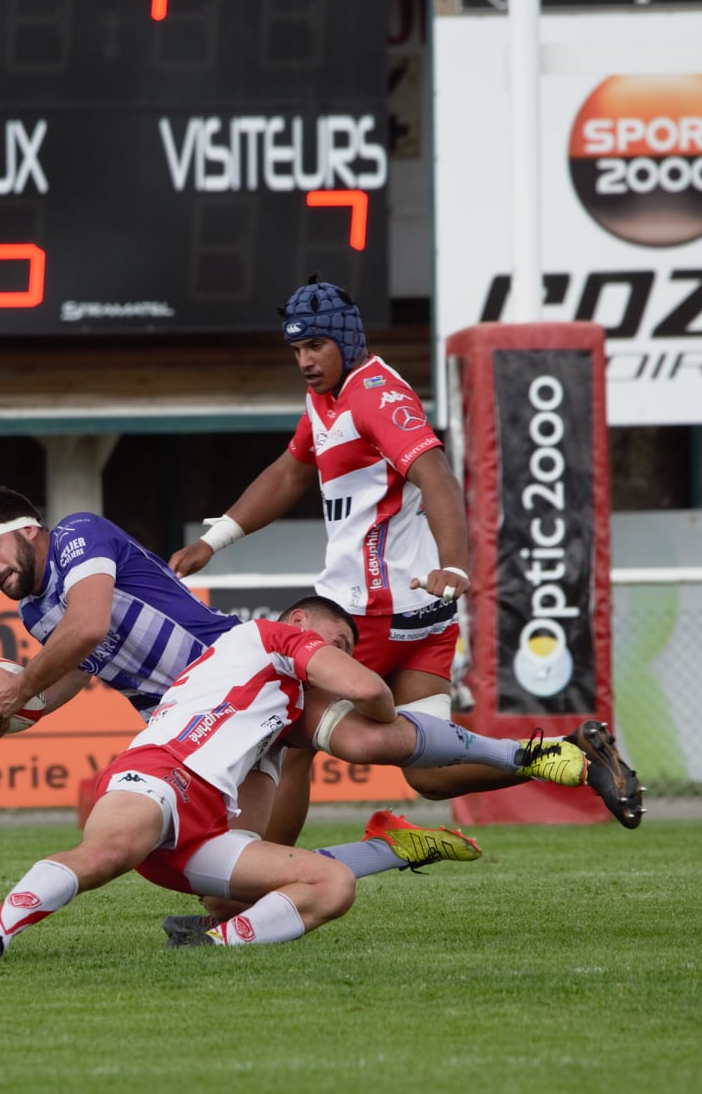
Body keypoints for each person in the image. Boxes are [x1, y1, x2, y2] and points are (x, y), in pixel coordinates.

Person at [168, 275, 642, 839]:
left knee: (289, 741)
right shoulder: (328, 396)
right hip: (421, 618)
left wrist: (456, 564)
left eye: (315, 346)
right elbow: (291, 471)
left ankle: (267, 880)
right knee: (431, 774)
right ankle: (572, 755)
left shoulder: (374, 395)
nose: (305, 361)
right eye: (296, 349)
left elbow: (435, 473)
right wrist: (216, 538)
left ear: (347, 339)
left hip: (365, 614)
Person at [0, 596, 600, 960]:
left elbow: (256, 829)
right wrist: (366, 692)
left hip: (201, 835)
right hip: (160, 776)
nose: (337, 654)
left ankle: (376, 856)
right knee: (107, 853)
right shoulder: (266, 638)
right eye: (336, 641)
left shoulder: (277, 712)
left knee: (329, 886)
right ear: (301, 625)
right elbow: (369, 691)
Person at [0, 482, 482, 876]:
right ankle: (389, 848)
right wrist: (27, 707)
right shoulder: (34, 611)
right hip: (187, 727)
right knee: (232, 883)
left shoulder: (77, 534)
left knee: (368, 743)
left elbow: (87, 627)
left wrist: (20, 687)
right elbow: (79, 664)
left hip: (233, 676)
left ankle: (524, 753)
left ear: (27, 529)